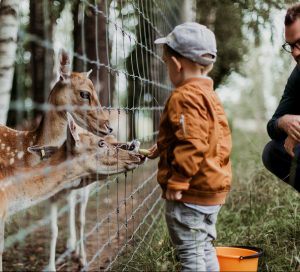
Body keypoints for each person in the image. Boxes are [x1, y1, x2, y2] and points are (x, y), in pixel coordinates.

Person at [146, 22, 232, 271]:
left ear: (176, 65)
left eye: (166, 63)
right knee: (204, 248)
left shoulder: (183, 96)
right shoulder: (210, 97)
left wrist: (179, 180)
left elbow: (193, 142)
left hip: (190, 193)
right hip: (211, 191)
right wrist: (163, 147)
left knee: (190, 255)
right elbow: (210, 139)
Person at [262, 3, 300, 193]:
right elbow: (272, 125)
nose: (295, 53)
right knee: (272, 152)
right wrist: (285, 123)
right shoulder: (298, 75)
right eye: (291, 46)